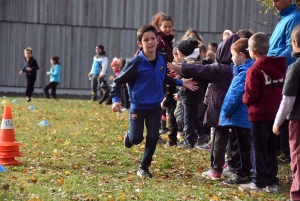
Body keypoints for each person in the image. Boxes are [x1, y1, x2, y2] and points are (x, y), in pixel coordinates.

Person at [110, 25, 198, 178]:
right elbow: (118, 81)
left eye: (152, 39)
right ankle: (130, 136)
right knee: (136, 139)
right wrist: (115, 100)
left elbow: (163, 77)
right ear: (140, 43)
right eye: (146, 40)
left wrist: (181, 83)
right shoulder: (136, 62)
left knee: (152, 137)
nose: (150, 42)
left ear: (157, 41)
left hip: (155, 106)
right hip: (138, 106)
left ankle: (143, 167)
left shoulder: (162, 58)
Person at [168, 34, 240, 179]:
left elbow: (200, 70)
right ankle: (234, 166)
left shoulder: (222, 68)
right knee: (236, 140)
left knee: (219, 138)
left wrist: (180, 67)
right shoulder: (241, 68)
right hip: (239, 111)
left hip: (222, 109)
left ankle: (216, 169)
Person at [238, 32, 286, 192]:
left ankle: (258, 181)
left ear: (252, 51)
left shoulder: (254, 70)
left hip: (259, 115)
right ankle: (272, 181)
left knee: (258, 148)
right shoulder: (280, 66)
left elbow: (251, 94)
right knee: (272, 148)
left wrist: (245, 99)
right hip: (276, 114)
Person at [216, 38, 255, 185]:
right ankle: (245, 171)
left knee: (238, 147)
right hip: (244, 118)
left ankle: (242, 174)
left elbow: (235, 95)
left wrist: (226, 111)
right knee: (243, 146)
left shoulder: (244, 73)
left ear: (241, 55)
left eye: (233, 55)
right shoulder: (246, 70)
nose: (232, 59)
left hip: (238, 117)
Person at [268, 0, 300, 164]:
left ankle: (285, 152)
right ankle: (282, 151)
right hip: (277, 72)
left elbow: (289, 49)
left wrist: (269, 64)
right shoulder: (285, 19)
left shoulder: (294, 18)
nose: (273, 4)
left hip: (283, 72)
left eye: (276, 0)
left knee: (286, 109)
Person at [273, 24, 300, 201]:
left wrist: (277, 121)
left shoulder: (295, 68)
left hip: (298, 120)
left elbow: (288, 99)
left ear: (296, 43)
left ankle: (296, 195)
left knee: (297, 157)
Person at [175, 37, 211, 149]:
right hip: (196, 94)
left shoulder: (188, 64)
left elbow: (185, 77)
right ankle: (201, 134)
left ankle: (189, 140)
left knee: (188, 118)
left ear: (184, 52)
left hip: (189, 94)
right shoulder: (198, 62)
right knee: (193, 117)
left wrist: (178, 76)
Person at [151, 12, 175, 134]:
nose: (168, 29)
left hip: (165, 75)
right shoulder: (159, 40)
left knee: (162, 102)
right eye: (165, 26)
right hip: (159, 76)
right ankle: (157, 129)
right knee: (159, 103)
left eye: (170, 26)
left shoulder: (168, 40)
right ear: (159, 26)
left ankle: (160, 128)